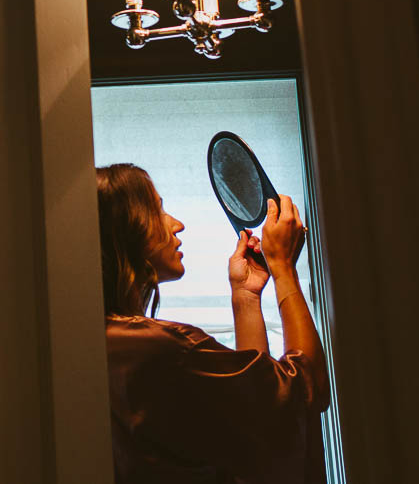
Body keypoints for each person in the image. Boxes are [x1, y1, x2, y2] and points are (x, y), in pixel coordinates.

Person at [97, 163, 330, 483]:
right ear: (124, 228)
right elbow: (304, 392)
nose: (176, 224)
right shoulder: (163, 349)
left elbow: (254, 420)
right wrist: (284, 269)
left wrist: (246, 297)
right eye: (158, 209)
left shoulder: (106, 343)